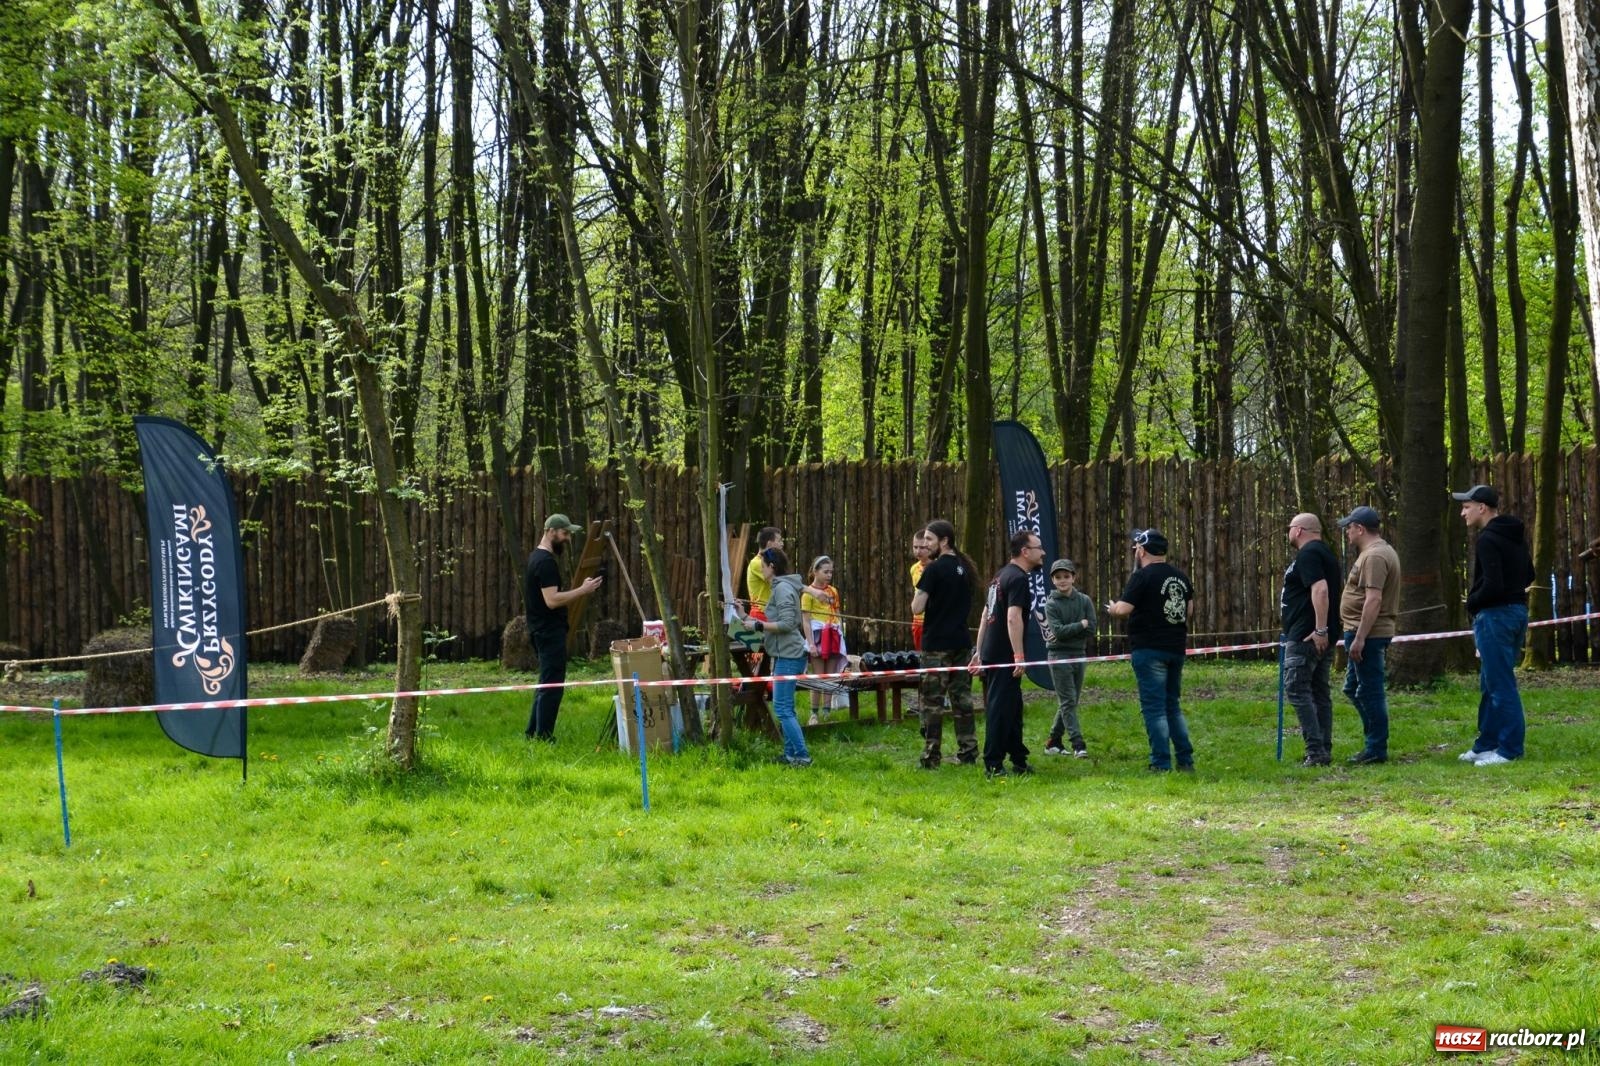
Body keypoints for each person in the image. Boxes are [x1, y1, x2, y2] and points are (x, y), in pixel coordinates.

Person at [1452, 484, 1535, 767]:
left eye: (1466, 507)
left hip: (1495, 617)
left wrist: (1472, 602)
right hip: (1516, 612)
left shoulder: (1488, 539)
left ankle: (1509, 749)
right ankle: (1486, 743)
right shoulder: (1515, 536)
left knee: (1500, 684)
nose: (1463, 513)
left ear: (1482, 508)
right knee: (1490, 682)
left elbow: (1493, 584)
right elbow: (1530, 574)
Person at [1107, 529, 1196, 772]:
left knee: (1155, 709)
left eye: (1136, 547)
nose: (1134, 551)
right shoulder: (1181, 577)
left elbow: (1124, 609)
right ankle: (1185, 761)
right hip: (1176, 648)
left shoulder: (1142, 577)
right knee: (1172, 706)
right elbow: (1188, 611)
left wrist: (1113, 608)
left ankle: (1161, 763)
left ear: (1143, 550)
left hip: (1149, 649)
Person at [971, 529, 1046, 777]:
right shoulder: (1018, 579)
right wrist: (1019, 655)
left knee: (1013, 708)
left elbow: (985, 615)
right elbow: (1013, 618)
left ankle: (1019, 759)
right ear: (1025, 552)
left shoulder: (999, 576)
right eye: (1038, 548)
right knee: (1000, 710)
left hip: (993, 652)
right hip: (1004, 656)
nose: (1043, 552)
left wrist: (978, 651)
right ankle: (993, 764)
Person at [524, 514, 602, 741]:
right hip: (548, 631)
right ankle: (544, 737)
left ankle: (532, 733)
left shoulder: (536, 557)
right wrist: (582, 591)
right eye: (564, 533)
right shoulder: (545, 562)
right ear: (551, 531)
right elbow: (552, 600)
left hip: (542, 630)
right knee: (552, 686)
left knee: (545, 683)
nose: (567, 538)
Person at [910, 519, 979, 767]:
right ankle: (968, 753)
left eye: (929, 539)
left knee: (932, 703)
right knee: (962, 700)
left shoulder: (933, 570)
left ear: (944, 541)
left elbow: (916, 607)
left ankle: (931, 757)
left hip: (936, 644)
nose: (925, 544)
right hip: (961, 641)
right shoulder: (966, 567)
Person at [1336, 506, 1401, 765]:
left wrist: (1361, 637)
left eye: (1349, 528)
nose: (1347, 533)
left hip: (1369, 635)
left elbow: (1373, 599)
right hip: (1362, 632)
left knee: (1370, 691)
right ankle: (1373, 742)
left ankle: (1375, 748)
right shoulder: (1376, 552)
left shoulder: (1374, 556)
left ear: (1360, 528)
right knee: (1353, 688)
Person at [737, 547, 812, 767]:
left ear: (772, 567)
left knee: (782, 708)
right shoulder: (778, 588)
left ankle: (802, 755)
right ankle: (790, 755)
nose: (760, 568)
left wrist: (758, 624)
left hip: (790, 656)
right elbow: (773, 621)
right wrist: (743, 616)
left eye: (763, 565)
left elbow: (789, 624)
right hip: (783, 654)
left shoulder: (782, 590)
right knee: (785, 707)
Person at [1280, 513, 1341, 766]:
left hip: (1307, 634)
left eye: (1290, 528)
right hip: (1315, 632)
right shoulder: (1325, 553)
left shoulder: (1310, 554)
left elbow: (1321, 589)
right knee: (1318, 691)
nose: (1288, 532)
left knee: (1297, 688)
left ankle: (1315, 751)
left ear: (1299, 530)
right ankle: (1322, 749)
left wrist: (1320, 629)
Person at [1040, 558, 1096, 757]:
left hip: (1079, 654)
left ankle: (1053, 741)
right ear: (1053, 580)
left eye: (1066, 576)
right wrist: (1079, 625)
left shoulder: (1084, 600)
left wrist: (1078, 628)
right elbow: (1059, 632)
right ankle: (1078, 743)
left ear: (1073, 577)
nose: (1062, 580)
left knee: (1071, 701)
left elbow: (1092, 628)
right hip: (1058, 655)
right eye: (1058, 577)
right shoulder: (1051, 603)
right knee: (1068, 701)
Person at [801, 555, 847, 724]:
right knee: (818, 676)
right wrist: (811, 643)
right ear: (815, 571)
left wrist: (840, 631)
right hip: (818, 637)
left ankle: (826, 713)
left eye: (831, 572)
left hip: (833, 635)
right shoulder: (808, 595)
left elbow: (838, 613)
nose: (829, 575)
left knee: (830, 676)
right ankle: (814, 713)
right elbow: (805, 620)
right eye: (825, 572)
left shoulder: (833, 591)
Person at [745, 527, 784, 622]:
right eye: (779, 540)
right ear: (769, 543)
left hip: (770, 614)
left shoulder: (771, 562)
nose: (782, 544)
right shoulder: (757, 563)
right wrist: (811, 591)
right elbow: (780, 582)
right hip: (761, 614)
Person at [909, 527, 932, 651]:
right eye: (915, 547)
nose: (918, 551)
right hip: (918, 619)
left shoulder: (938, 566)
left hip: (934, 619)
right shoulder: (914, 569)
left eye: (922, 548)